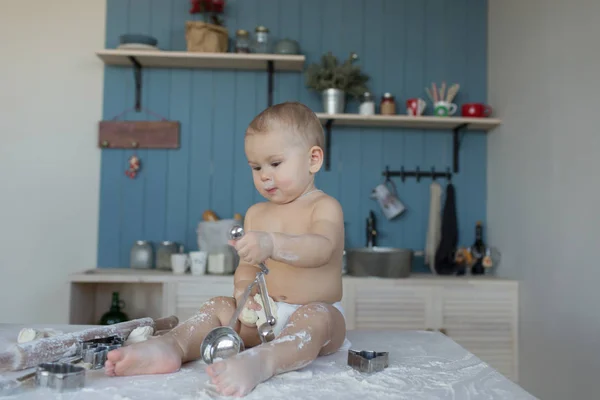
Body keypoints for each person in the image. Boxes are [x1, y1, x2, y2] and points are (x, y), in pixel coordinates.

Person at [104, 101, 347, 397]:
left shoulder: (324, 207)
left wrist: (273, 243)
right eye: (256, 167)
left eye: (275, 163)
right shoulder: (256, 213)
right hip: (263, 318)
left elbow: (321, 249)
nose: (264, 175)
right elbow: (247, 266)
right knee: (218, 306)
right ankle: (173, 346)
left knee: (318, 318)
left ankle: (263, 361)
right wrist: (244, 293)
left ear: (313, 159)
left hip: (315, 314)